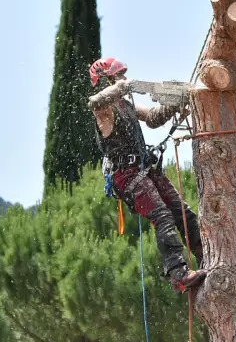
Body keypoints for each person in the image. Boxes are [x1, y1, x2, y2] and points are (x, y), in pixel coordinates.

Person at [87, 57, 206, 293]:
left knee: (181, 211)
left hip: (144, 168)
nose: (122, 79)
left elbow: (153, 118)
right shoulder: (104, 111)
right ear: (106, 80)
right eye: (118, 76)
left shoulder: (125, 104)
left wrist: (176, 101)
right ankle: (178, 273)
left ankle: (205, 255)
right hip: (127, 175)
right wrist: (124, 85)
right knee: (162, 216)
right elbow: (95, 102)